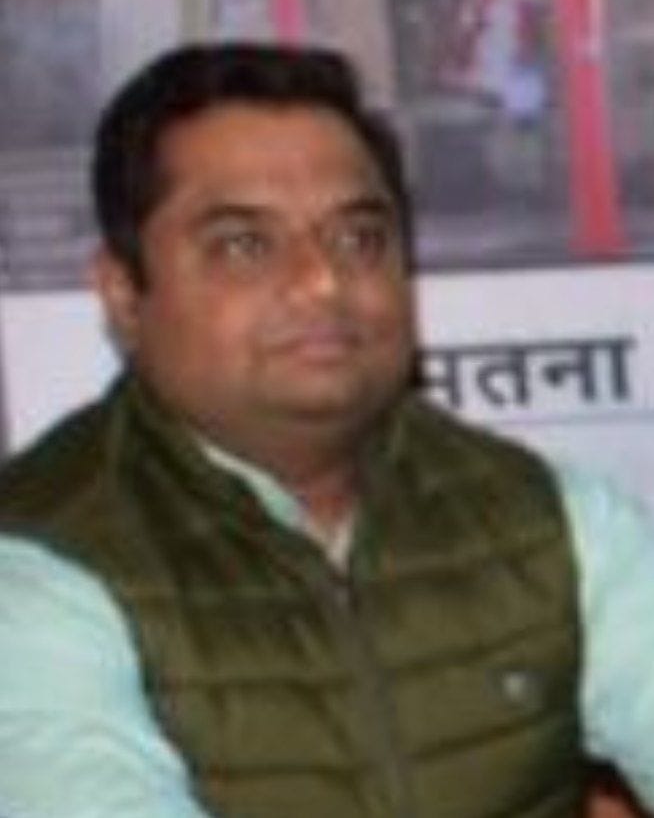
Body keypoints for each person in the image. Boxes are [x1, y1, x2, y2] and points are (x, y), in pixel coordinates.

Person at [0, 43, 652, 818]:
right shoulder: (36, 561)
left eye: (359, 238)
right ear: (123, 293)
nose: (322, 280)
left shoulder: (552, 519)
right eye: (244, 245)